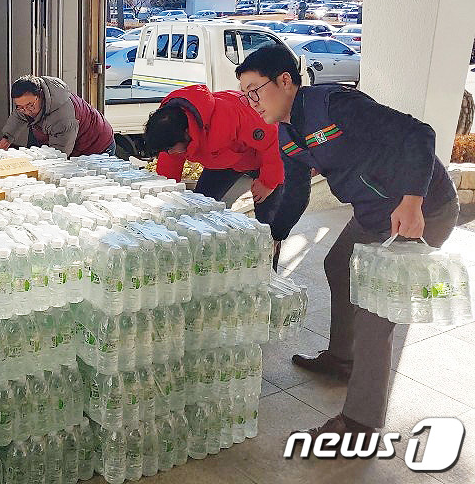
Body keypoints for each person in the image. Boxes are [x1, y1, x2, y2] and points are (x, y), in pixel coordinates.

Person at [235, 45, 459, 437]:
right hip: (374, 213)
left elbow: (418, 133)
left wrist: (412, 200)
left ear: (285, 81)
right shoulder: (287, 134)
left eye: (255, 91)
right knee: (338, 264)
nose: (251, 102)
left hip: (421, 210)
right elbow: (295, 192)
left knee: (376, 310)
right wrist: (274, 236)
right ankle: (341, 358)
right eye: (244, 95)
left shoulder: (333, 105)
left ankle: (360, 421)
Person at [143, 84, 285, 267]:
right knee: (199, 206)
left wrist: (268, 182)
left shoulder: (230, 115)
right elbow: (168, 169)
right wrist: (165, 198)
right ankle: (202, 257)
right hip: (224, 160)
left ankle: (268, 269)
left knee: (268, 224)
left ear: (187, 133)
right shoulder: (173, 127)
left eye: (170, 149)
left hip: (265, 157)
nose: (170, 153)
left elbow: (274, 141)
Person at [0, 75, 115, 157]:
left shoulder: (62, 116)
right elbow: (19, 116)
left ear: (40, 95)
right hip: (70, 142)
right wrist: (7, 138)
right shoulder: (27, 105)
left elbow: (58, 156)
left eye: (30, 105)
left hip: (97, 147)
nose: (26, 111)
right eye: (20, 107)